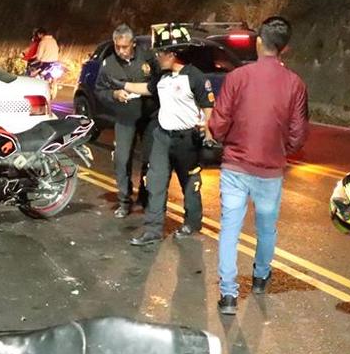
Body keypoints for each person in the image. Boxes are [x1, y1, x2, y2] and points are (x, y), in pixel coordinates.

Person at [207, 16, 309, 315]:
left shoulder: (238, 77)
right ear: (285, 48)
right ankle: (261, 277)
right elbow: (298, 133)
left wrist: (222, 139)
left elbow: (219, 121)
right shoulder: (295, 84)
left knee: (230, 229)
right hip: (270, 170)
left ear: (258, 42)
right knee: (266, 228)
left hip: (236, 167)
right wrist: (281, 151)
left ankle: (228, 295)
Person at [123, 25, 213, 246]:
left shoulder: (195, 78)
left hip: (186, 140)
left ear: (172, 54)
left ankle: (192, 223)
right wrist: (123, 85)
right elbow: (147, 88)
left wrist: (208, 131)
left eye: (160, 53)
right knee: (155, 183)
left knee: (189, 182)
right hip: (162, 137)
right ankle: (153, 229)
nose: (158, 57)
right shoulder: (162, 77)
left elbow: (209, 109)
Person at [94, 23, 157, 216]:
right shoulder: (109, 65)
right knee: (122, 159)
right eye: (117, 46)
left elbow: (159, 83)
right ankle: (124, 200)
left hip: (148, 116)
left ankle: (145, 197)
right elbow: (99, 90)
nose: (121, 51)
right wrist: (114, 94)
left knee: (150, 159)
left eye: (125, 46)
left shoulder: (148, 58)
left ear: (133, 44)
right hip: (125, 117)